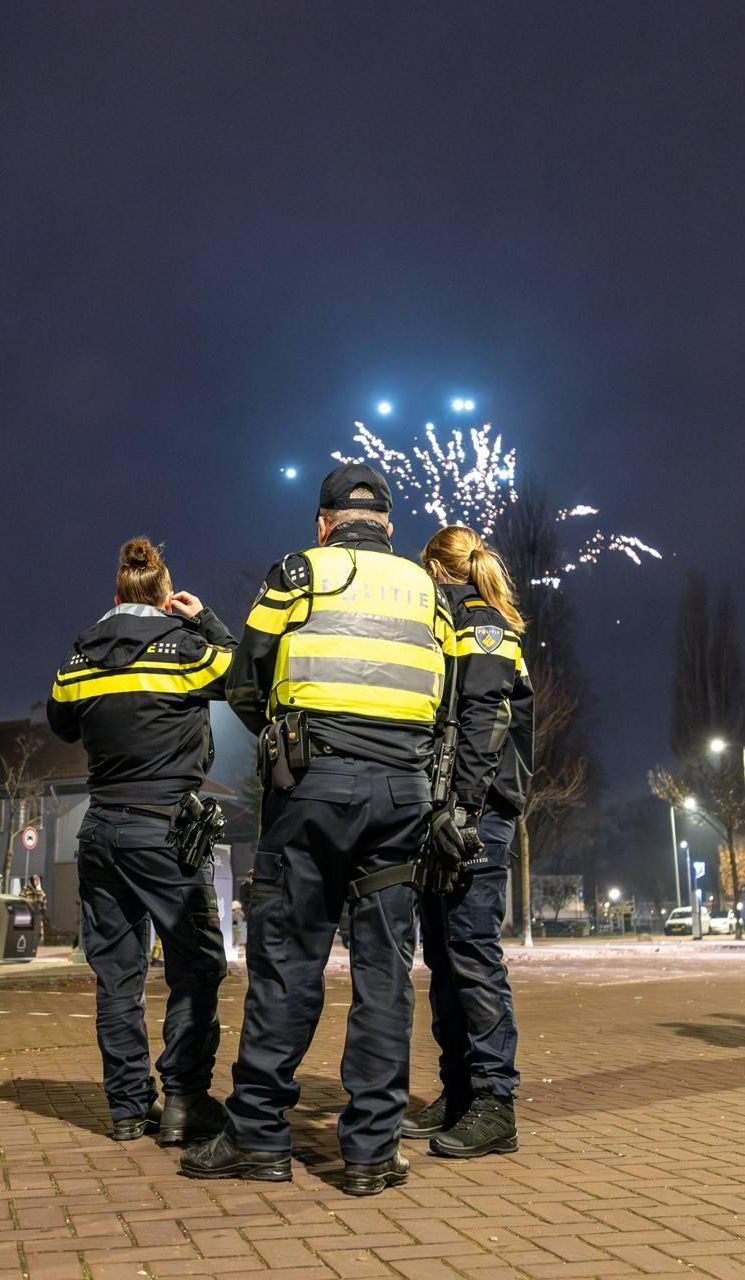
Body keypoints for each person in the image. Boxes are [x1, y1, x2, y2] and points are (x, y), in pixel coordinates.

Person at [182, 462, 453, 1196]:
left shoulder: (299, 572)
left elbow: (246, 677)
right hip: (403, 794)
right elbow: (448, 696)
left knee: (288, 960)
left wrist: (285, 736)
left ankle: (260, 1137)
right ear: (389, 526)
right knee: (385, 971)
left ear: (323, 522)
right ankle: (370, 1152)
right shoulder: (430, 590)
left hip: (314, 787)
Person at [48, 536, 235, 1144]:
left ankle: (128, 1109)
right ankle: (183, 1100)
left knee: (118, 977)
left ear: (114, 597)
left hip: (100, 828)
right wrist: (201, 618)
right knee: (197, 965)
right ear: (164, 597)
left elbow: (60, 721)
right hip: (167, 831)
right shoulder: (186, 651)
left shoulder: (78, 659)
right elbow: (243, 671)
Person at [400, 524, 533, 1159]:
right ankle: (458, 1093)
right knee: (447, 956)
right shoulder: (460, 621)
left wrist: (463, 810)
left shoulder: (482, 625)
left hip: (475, 813)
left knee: (472, 953)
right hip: (450, 811)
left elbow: (485, 720)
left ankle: (493, 1102)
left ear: (436, 568)